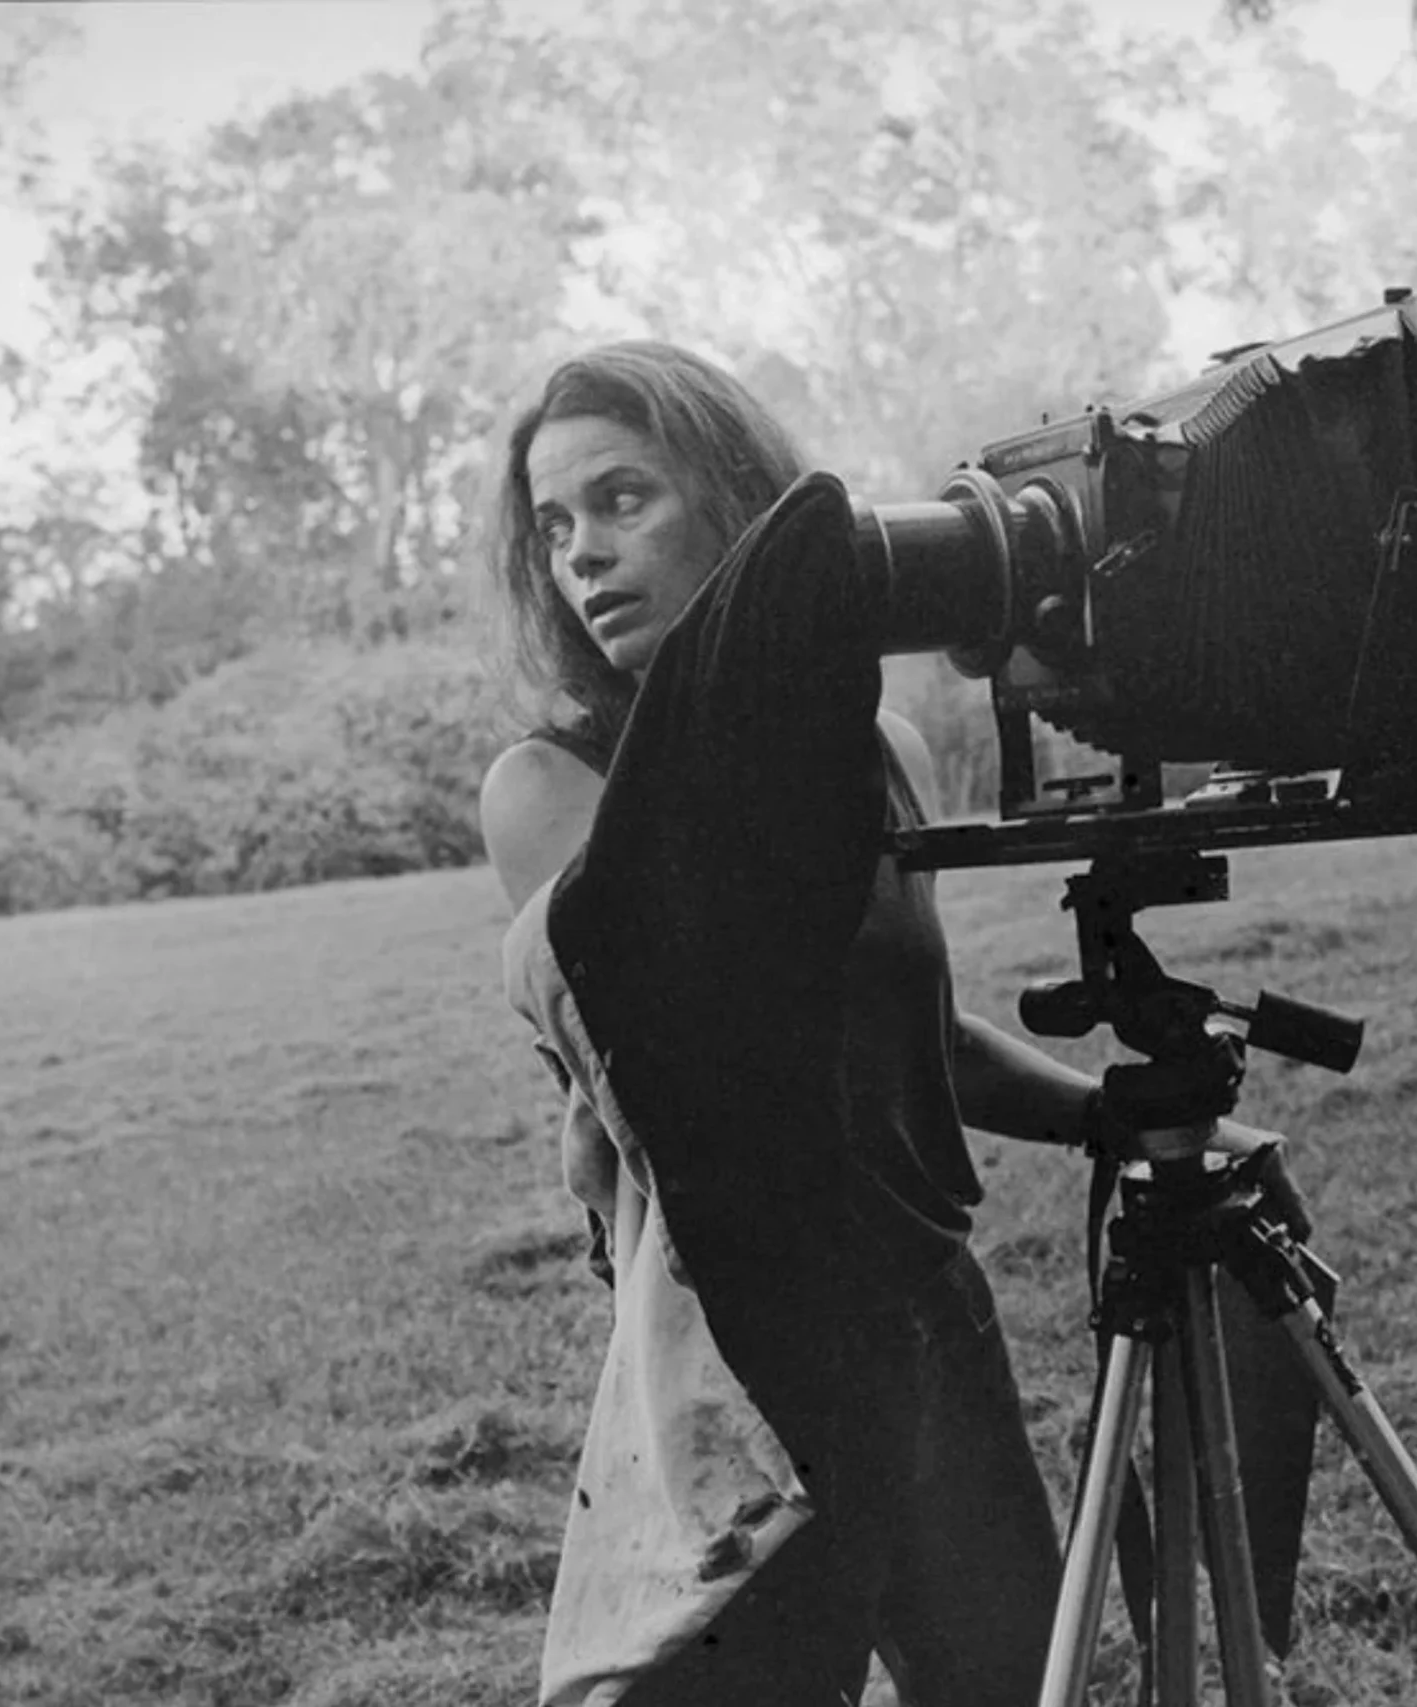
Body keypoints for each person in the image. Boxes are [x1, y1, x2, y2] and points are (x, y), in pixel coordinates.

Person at [477, 339, 1303, 1707]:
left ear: (736, 502)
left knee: (1003, 1678)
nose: (584, 555)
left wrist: (1113, 1115)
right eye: (555, 525)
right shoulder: (553, 789)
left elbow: (916, 1033)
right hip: (742, 1344)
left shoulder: (885, 755)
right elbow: (705, 1024)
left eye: (624, 499)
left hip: (926, 1305)